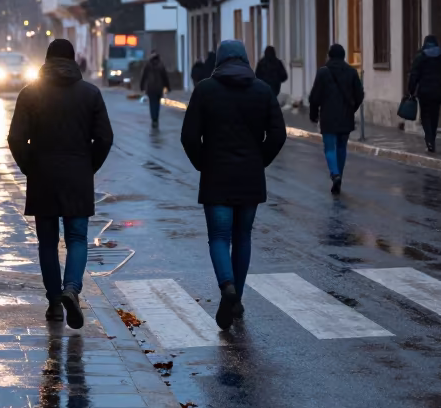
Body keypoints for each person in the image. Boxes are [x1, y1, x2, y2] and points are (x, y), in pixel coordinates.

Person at [8, 38, 113, 329]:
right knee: (77, 238)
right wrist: (88, 166)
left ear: (46, 61)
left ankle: (54, 303)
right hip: (78, 175)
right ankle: (72, 288)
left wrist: (30, 167)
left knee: (48, 242)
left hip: (43, 177)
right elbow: (105, 138)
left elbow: (15, 138)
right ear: (74, 61)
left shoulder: (30, 94)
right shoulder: (90, 94)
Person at [181, 39, 286, 330]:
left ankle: (226, 286)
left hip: (216, 177)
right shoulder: (263, 90)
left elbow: (189, 136)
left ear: (219, 61)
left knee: (218, 236)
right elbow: (278, 134)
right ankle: (236, 296)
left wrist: (204, 163)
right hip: (250, 178)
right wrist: (259, 160)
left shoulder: (205, 90)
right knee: (243, 237)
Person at [308, 43, 365, 195]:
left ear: (330, 56)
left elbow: (315, 97)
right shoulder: (352, 72)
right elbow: (359, 95)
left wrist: (313, 114)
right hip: (346, 116)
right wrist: (352, 108)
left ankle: (335, 174)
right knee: (341, 147)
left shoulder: (323, 72)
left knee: (329, 147)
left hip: (328, 116)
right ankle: (339, 174)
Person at [407, 34, 441, 152]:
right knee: (434, 115)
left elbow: (414, 75)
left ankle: (429, 140)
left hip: (424, 92)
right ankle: (432, 138)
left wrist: (411, 91)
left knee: (425, 116)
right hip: (437, 92)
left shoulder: (420, 57)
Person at [140, 50, 170, 127]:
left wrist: (142, 86)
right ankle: (156, 118)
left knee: (152, 104)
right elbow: (165, 77)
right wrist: (168, 87)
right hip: (159, 88)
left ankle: (153, 119)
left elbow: (144, 76)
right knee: (157, 104)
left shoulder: (148, 65)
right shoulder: (161, 65)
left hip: (150, 87)